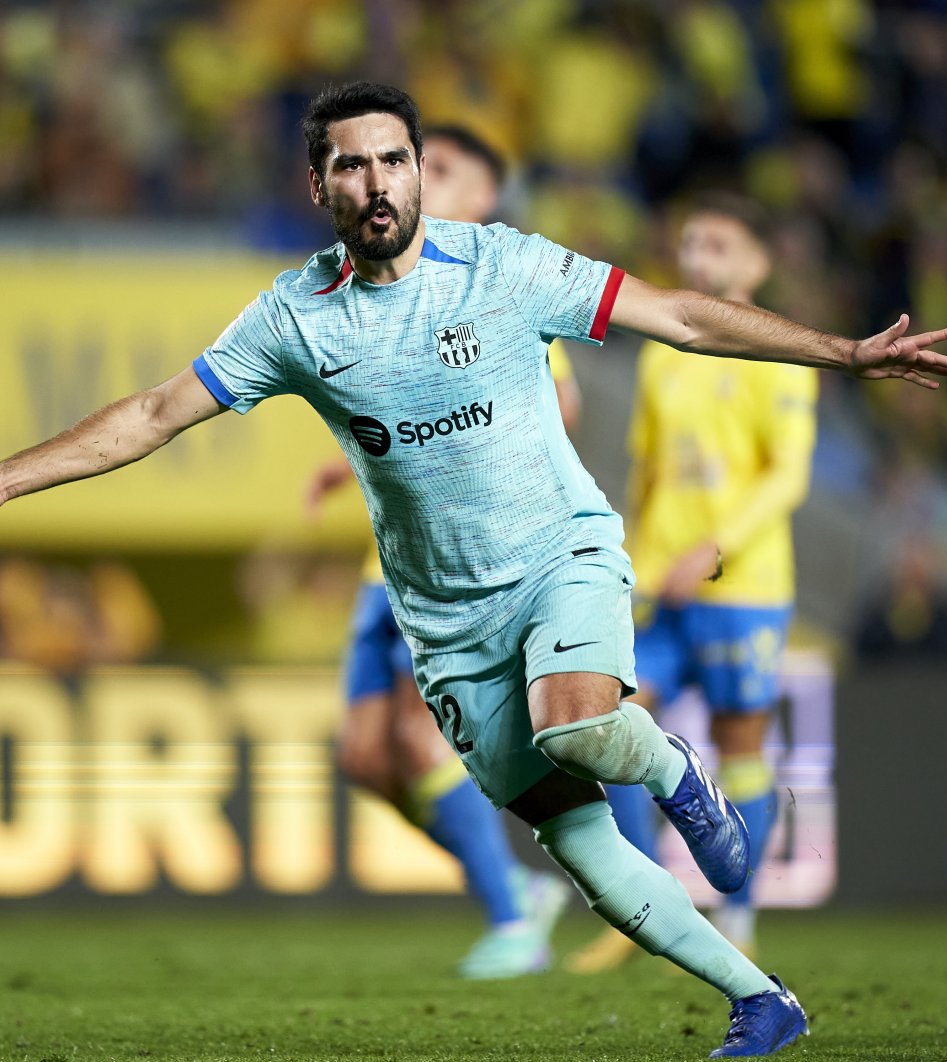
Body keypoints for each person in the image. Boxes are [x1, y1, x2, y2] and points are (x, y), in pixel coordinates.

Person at [0, 82, 947, 1057]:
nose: (377, 181)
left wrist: (842, 351)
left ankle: (678, 773)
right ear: (319, 186)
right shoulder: (295, 317)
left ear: (414, 169)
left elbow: (677, 315)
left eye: (393, 158)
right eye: (350, 164)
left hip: (560, 556)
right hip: (446, 622)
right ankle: (760, 1000)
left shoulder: (501, 265)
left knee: (577, 719)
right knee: (583, 851)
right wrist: (9, 482)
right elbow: (158, 414)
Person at [304, 124, 576, 980]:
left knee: (423, 747)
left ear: (482, 197)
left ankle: (512, 922)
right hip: (378, 571)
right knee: (361, 757)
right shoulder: (383, 289)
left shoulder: (496, 284)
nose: (403, 180)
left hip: (453, 574)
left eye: (434, 168)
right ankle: (517, 889)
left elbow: (560, 403)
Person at [569, 195, 816, 972]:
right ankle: (641, 908)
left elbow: (789, 478)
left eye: (719, 244)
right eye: (690, 242)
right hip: (661, 586)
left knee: (741, 750)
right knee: (609, 729)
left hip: (742, 587)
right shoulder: (661, 350)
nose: (699, 255)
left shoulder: (776, 352)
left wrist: (713, 548)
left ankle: (736, 918)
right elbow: (647, 472)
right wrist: (632, 559)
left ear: (756, 264)